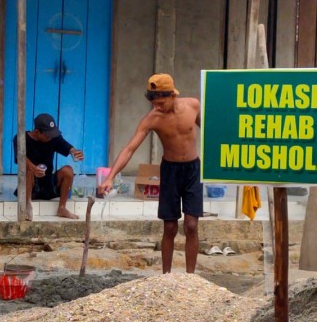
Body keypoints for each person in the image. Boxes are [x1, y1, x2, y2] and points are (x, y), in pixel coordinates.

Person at [99, 73, 202, 274]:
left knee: (191, 224)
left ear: (173, 96)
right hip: (170, 171)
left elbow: (210, 129)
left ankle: (191, 276)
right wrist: (110, 177)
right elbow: (129, 148)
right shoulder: (152, 119)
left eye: (161, 102)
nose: (157, 107)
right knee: (170, 226)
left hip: (193, 169)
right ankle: (166, 275)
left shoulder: (193, 105)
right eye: (154, 103)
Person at [14, 113, 84, 220]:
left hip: (48, 185)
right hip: (31, 186)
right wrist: (33, 168)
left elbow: (66, 146)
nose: (51, 137)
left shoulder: (53, 138)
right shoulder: (21, 138)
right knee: (28, 171)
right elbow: (20, 157)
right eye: (48, 135)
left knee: (68, 170)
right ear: (37, 132)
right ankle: (27, 205)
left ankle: (62, 208)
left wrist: (75, 152)